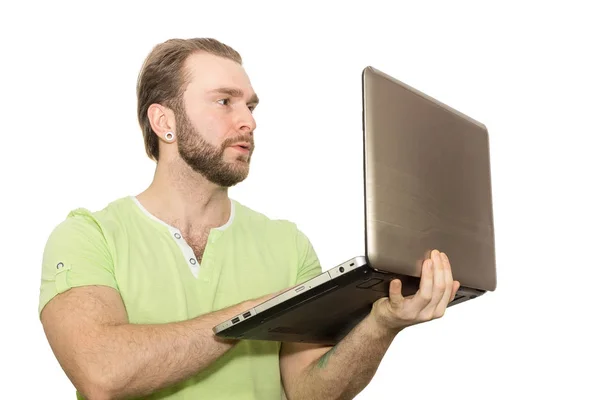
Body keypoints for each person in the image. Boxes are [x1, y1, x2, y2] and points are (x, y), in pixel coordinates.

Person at [38, 37, 460, 400]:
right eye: (224, 101)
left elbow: (308, 390)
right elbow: (102, 372)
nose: (249, 121)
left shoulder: (287, 244)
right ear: (164, 121)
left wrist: (381, 324)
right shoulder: (87, 235)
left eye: (250, 105)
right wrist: (258, 315)